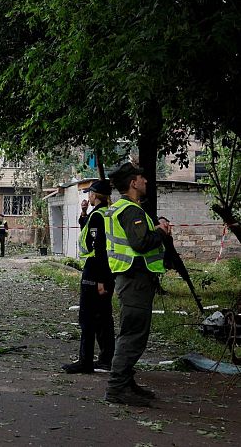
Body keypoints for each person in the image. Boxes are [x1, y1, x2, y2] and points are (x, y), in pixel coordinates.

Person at [103, 163, 170, 407]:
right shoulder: (131, 211)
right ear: (133, 182)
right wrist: (161, 232)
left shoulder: (120, 208)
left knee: (130, 332)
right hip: (135, 280)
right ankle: (117, 388)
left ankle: (126, 383)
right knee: (132, 336)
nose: (146, 182)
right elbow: (141, 244)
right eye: (142, 178)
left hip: (129, 279)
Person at [62, 180, 115, 374]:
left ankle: (85, 361)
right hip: (105, 270)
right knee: (103, 318)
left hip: (95, 270)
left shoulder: (98, 216)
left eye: (89, 194)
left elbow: (99, 246)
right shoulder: (104, 214)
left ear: (95, 194)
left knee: (87, 318)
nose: (88, 197)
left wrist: (100, 279)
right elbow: (88, 229)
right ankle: (106, 359)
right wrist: (84, 212)